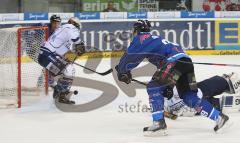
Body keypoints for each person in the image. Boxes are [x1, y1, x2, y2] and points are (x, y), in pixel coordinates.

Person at [115, 19, 230, 136]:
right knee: (189, 96)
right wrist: (168, 87)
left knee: (153, 87)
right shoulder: (157, 39)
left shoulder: (142, 38)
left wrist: (122, 70)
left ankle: (159, 124)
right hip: (186, 64)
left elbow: (131, 56)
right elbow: (169, 70)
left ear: (137, 30)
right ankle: (219, 117)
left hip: (174, 63)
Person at [37, 17, 85, 104]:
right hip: (47, 55)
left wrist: (64, 59)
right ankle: (61, 94)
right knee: (70, 70)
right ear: (76, 25)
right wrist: (80, 43)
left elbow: (59, 49)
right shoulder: (69, 27)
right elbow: (75, 38)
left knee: (59, 70)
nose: (77, 31)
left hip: (45, 55)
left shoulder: (62, 29)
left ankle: (57, 88)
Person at [165, 72, 240, 117]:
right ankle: (227, 83)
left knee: (211, 101)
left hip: (183, 104)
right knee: (203, 89)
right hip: (186, 99)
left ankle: (233, 101)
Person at [37, 15, 62, 88]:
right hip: (42, 51)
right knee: (48, 65)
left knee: (49, 66)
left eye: (58, 23)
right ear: (51, 22)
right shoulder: (45, 28)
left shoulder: (60, 30)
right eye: (54, 23)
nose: (56, 24)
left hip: (51, 51)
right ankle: (46, 82)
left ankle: (42, 82)